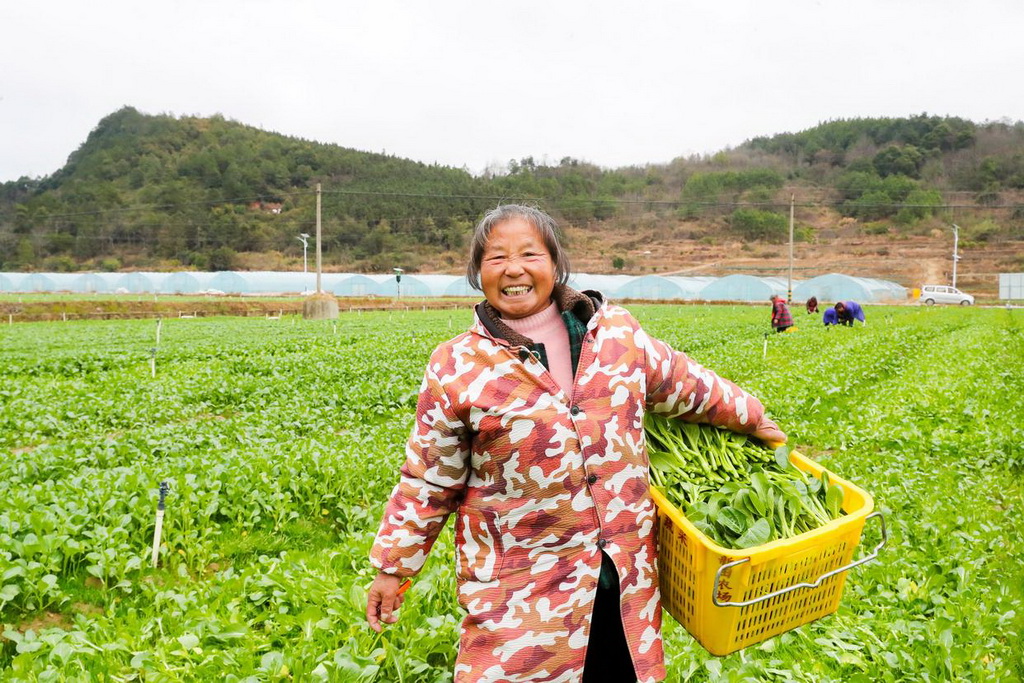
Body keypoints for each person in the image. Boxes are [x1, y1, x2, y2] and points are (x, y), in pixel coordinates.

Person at [366, 204, 786, 683]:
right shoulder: (458, 366)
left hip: (623, 578)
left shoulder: (617, 336)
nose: (514, 269)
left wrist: (758, 420)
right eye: (496, 258)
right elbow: (428, 478)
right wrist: (393, 568)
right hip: (520, 591)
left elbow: (687, 384)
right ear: (477, 272)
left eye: (530, 253)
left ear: (554, 263)